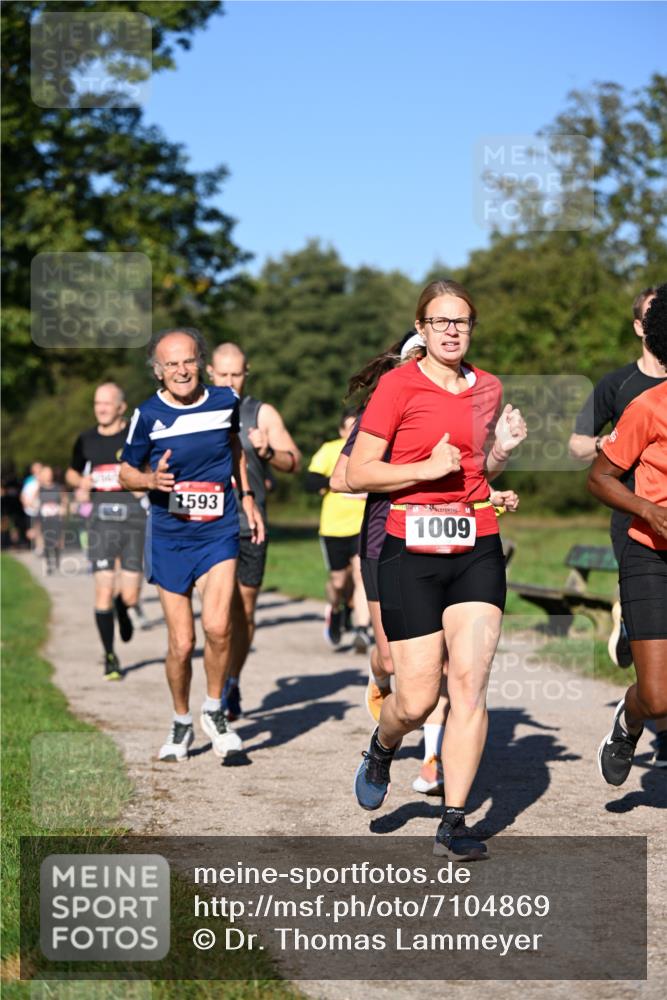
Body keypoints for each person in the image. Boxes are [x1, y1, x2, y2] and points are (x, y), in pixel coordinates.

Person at [347, 278, 526, 859]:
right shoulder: (397, 386)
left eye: (462, 321)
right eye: (441, 321)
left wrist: (497, 469)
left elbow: (472, 473)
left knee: (470, 685)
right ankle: (383, 742)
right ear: (421, 330)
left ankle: (455, 817)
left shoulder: (489, 388)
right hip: (410, 548)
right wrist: (424, 469)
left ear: (471, 329)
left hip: (476, 544)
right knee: (418, 697)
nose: (453, 330)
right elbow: (359, 474)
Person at [119, 328, 265, 763]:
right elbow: (126, 471)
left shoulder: (226, 402)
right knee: (181, 643)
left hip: (217, 528)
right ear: (158, 371)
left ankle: (215, 710)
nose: (181, 370)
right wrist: (150, 480)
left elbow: (235, 446)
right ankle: (181, 720)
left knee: (219, 627)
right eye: (171, 364)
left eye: (187, 361)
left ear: (199, 362)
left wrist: (248, 498)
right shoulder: (147, 414)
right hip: (170, 535)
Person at [569, 286, 667, 764]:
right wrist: (648, 510)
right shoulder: (645, 404)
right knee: (658, 697)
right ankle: (629, 721)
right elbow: (597, 475)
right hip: (648, 547)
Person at [206, 342, 301, 719]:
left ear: (247, 374)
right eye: (223, 374)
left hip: (250, 525)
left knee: (243, 611)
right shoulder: (194, 409)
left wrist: (266, 452)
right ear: (210, 373)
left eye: (237, 374)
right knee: (216, 615)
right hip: (207, 528)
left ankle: (232, 679)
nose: (230, 382)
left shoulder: (260, 413)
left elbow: (294, 461)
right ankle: (213, 690)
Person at [66, 384, 146, 680]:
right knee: (102, 587)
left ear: (121, 407)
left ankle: (123, 608)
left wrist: (143, 483)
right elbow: (72, 471)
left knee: (130, 594)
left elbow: (151, 465)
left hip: (134, 520)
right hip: (100, 521)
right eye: (97, 403)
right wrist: (81, 482)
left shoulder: (134, 436)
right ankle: (110, 656)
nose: (101, 408)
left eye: (107, 403)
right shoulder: (85, 439)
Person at [307, 411, 371, 651]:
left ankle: (361, 630)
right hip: (334, 527)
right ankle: (335, 608)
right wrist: (339, 481)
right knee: (338, 580)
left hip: (362, 525)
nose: (355, 432)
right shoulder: (330, 449)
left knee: (361, 573)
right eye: (350, 428)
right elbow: (310, 481)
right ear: (342, 431)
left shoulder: (371, 451)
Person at [36, 465, 66, 574]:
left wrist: (63, 508)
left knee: (57, 541)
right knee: (47, 542)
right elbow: (33, 500)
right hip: (45, 519)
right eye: (45, 473)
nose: (48, 475)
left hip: (56, 518)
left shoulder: (58, 487)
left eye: (49, 473)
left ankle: (57, 561)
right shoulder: (39, 488)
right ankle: (49, 565)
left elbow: (64, 500)